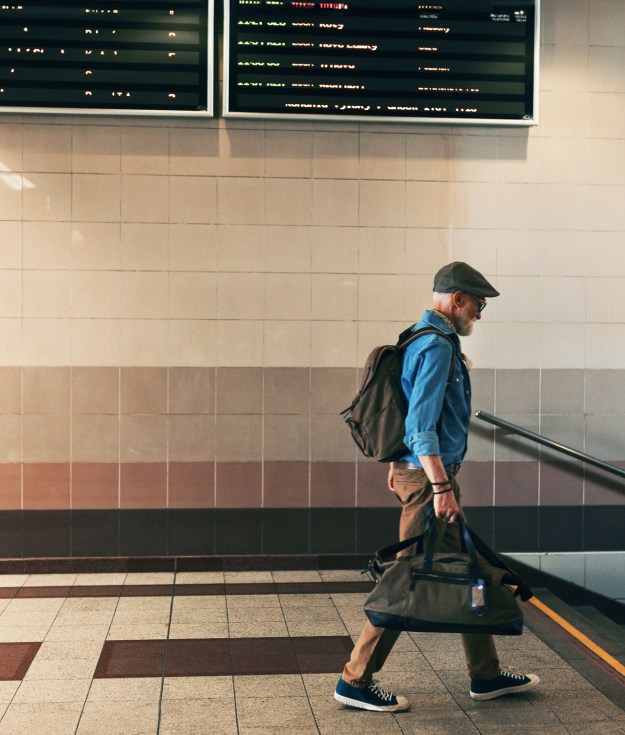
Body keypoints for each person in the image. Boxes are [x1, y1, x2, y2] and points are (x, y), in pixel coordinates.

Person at [334, 261, 540, 712]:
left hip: (424, 475)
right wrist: (441, 487)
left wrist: (399, 464)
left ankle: (485, 675)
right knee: (406, 577)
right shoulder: (438, 347)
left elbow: (405, 410)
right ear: (457, 299)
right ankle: (355, 679)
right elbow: (421, 426)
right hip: (432, 482)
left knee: (467, 568)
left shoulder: (415, 336)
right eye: (479, 305)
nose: (480, 315)